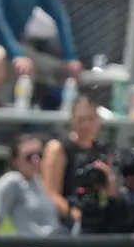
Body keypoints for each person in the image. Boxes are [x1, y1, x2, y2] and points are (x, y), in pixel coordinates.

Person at [40, 93, 106, 224]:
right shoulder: (58, 148)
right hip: (66, 218)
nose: (86, 125)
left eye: (91, 119)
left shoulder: (102, 151)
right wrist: (74, 214)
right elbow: (50, 193)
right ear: (72, 120)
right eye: (81, 119)